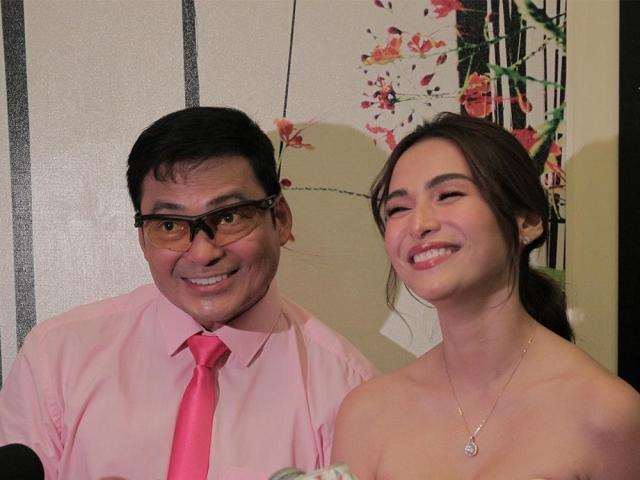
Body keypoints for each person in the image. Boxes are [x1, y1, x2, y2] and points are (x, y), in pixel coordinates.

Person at [0, 106, 376, 479]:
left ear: (280, 219)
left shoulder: (349, 392)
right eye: (169, 225)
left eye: (228, 217)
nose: (202, 253)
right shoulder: (55, 358)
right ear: (143, 239)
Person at [332, 112, 640, 479]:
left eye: (449, 194)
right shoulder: (365, 414)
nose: (419, 223)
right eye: (399, 208)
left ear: (527, 221)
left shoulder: (607, 412)